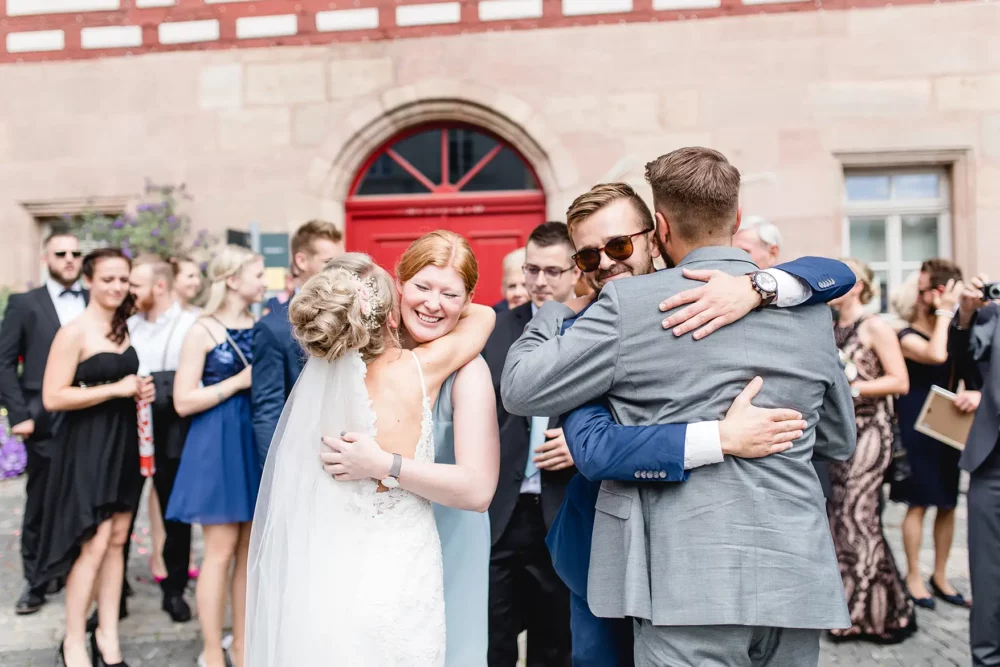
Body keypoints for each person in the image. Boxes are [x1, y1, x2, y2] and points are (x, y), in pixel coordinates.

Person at [502, 147, 857, 666]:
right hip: (791, 572)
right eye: (587, 257)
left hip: (684, 578)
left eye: (620, 244)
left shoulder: (626, 311)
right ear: (735, 219)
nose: (605, 264)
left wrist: (551, 313)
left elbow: (520, 388)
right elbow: (837, 439)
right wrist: (727, 435)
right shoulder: (807, 311)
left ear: (658, 231)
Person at [245, 252, 499, 666]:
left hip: (329, 570)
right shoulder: (418, 371)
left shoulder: (315, 391)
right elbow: (483, 319)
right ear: (391, 316)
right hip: (400, 569)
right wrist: (454, 298)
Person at [35, 248, 154, 667]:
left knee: (119, 539)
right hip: (86, 447)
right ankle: (72, 641)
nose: (117, 287)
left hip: (123, 442)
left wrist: (140, 390)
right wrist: (115, 389)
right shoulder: (74, 332)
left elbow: (124, 382)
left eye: (123, 280)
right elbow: (53, 396)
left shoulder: (124, 329)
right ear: (88, 280)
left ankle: (107, 636)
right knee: (95, 540)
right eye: (108, 279)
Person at [393, 230, 501, 667]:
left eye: (449, 294)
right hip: (374, 535)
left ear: (468, 300)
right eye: (422, 286)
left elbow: (478, 491)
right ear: (398, 282)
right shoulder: (367, 354)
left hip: (451, 538)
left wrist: (383, 465)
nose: (433, 304)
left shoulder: (468, 369)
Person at [482, 221, 579, 667]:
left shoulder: (593, 331)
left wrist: (578, 446)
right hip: (498, 511)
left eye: (552, 271)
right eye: (532, 269)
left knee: (555, 641)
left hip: (563, 510)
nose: (538, 282)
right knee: (492, 638)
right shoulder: (493, 331)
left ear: (576, 271)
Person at [167, 245, 266, 667]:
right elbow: (182, 401)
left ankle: (241, 647)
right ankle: (211, 651)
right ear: (232, 280)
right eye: (258, 274)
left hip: (253, 439)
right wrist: (239, 382)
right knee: (220, 549)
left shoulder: (261, 325)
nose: (265, 282)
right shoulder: (201, 330)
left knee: (249, 550)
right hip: (215, 440)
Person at [828, 258, 915, 643]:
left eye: (845, 278)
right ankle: (890, 606)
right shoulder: (830, 326)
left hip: (870, 433)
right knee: (841, 520)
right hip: (838, 434)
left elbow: (900, 381)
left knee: (859, 516)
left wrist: (855, 388)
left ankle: (861, 610)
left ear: (861, 284)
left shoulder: (875, 325)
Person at [0, 226, 86, 615]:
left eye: (75, 254)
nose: (69, 260)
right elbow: (4, 362)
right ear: (46, 259)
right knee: (40, 499)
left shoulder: (95, 298)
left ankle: (81, 570)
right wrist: (19, 415)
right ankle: (35, 581)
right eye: (61, 254)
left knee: (86, 494)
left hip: (90, 414)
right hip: (42, 416)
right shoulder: (24, 303)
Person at [891, 259, 972, 609]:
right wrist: (944, 314)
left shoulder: (955, 328)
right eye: (920, 289)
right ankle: (913, 575)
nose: (921, 293)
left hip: (948, 422)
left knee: (948, 502)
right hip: (915, 423)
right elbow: (935, 354)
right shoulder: (905, 334)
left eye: (926, 287)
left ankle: (940, 575)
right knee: (919, 502)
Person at [127, 255, 199, 622]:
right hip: (128, 430)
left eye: (134, 284)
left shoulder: (191, 325)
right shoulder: (125, 325)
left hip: (173, 431)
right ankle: (115, 595)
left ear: (158, 286)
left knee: (175, 513)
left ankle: (174, 589)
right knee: (119, 513)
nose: (128, 291)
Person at [252, 220, 342, 468]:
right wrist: (273, 470)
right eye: (329, 263)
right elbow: (268, 410)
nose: (338, 271)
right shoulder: (274, 327)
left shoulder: (350, 313)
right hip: (300, 454)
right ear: (301, 261)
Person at [948, 273, 1000, 666]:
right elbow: (964, 364)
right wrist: (966, 315)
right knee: (988, 573)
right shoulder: (991, 308)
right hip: (992, 460)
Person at [494, 247, 528, 313]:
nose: (517, 293)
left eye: (525, 285)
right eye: (512, 286)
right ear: (503, 290)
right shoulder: (496, 317)